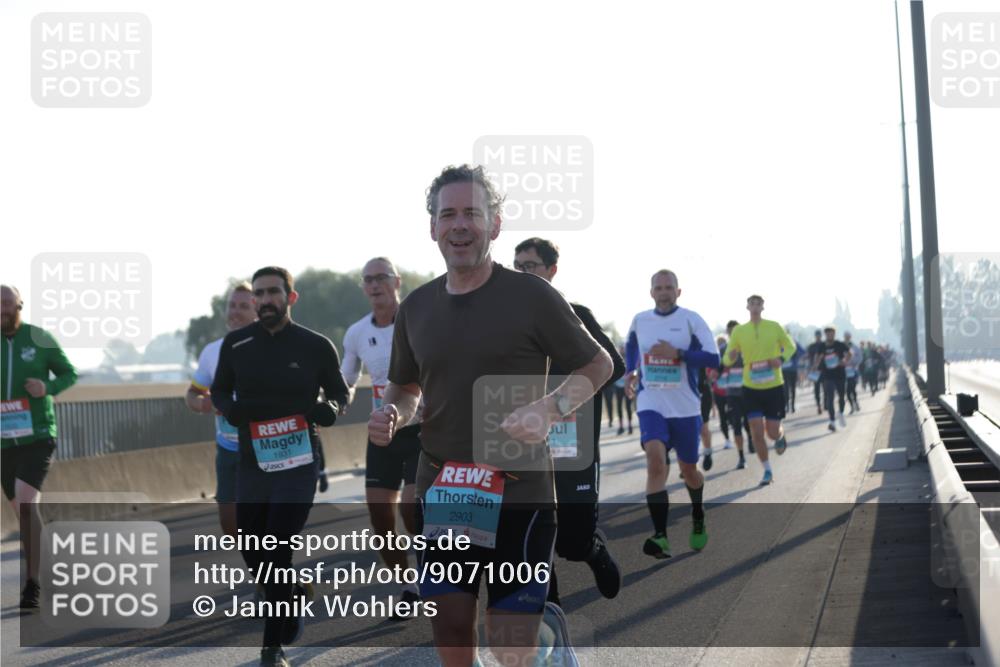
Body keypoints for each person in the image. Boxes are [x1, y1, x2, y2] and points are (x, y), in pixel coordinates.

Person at [369, 165, 613, 667]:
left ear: (495, 225)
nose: (460, 225)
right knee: (453, 631)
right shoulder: (415, 307)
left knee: (509, 647)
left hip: (520, 493)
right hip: (447, 489)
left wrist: (550, 408)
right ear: (432, 226)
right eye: (448, 214)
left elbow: (599, 363)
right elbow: (407, 385)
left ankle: (545, 639)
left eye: (473, 214)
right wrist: (393, 410)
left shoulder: (532, 296)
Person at [212, 266, 349, 667]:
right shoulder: (237, 345)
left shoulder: (315, 345)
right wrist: (229, 408)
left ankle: (272, 648)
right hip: (253, 464)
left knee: (275, 548)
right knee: (254, 550)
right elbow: (219, 388)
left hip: (299, 463)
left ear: (291, 297)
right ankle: (290, 591)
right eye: (259, 293)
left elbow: (340, 391)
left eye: (273, 292)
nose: (265, 300)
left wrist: (331, 408)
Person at [513, 237, 625, 605]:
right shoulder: (507, 321)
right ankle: (551, 623)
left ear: (551, 271)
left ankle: (593, 551)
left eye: (529, 266)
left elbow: (614, 366)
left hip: (573, 442)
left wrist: (561, 398)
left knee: (572, 541)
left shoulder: (576, 314)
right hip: (526, 445)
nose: (522, 274)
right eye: (517, 267)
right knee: (534, 536)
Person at [341, 257, 422, 611]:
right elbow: (345, 379)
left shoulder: (420, 320)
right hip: (382, 432)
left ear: (397, 282)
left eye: (381, 278)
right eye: (368, 280)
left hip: (423, 428)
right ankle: (408, 586)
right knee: (380, 516)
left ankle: (431, 573)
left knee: (411, 508)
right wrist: (335, 401)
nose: (375, 285)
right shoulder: (357, 332)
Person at [624, 270, 719, 559]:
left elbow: (713, 358)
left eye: (669, 288)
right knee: (655, 462)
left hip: (686, 407)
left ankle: (698, 514)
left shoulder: (691, 320)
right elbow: (630, 345)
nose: (663, 292)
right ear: (651, 292)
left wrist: (678, 354)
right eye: (658, 288)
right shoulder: (640, 320)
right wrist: (630, 370)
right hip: (651, 400)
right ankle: (660, 535)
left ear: (678, 292)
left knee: (689, 470)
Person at [1, 284, 78, 610]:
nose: (3, 309)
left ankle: (32, 583)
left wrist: (47, 386)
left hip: (38, 436)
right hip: (4, 442)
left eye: (8, 303)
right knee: (22, 508)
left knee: (27, 502)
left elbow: (69, 374)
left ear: (20, 305)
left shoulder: (39, 339)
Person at [186, 281, 256, 537]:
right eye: (231, 306)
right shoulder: (212, 351)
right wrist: (203, 403)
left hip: (264, 449)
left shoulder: (270, 348)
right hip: (228, 448)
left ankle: (277, 572)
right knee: (231, 527)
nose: (235, 312)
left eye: (243, 306)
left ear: (257, 310)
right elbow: (192, 393)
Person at [723, 296, 796, 486]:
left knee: (770, 433)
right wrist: (730, 357)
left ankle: (779, 435)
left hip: (773, 386)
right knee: (756, 431)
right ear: (747, 307)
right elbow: (726, 359)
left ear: (763, 307)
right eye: (752, 304)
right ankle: (767, 470)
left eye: (758, 304)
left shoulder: (774, 327)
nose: (755, 307)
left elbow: (790, 346)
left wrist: (780, 358)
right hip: (751, 387)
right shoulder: (739, 331)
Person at [811, 326, 851, 432]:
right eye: (827, 333)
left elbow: (849, 354)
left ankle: (841, 413)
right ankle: (832, 421)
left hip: (840, 374)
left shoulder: (840, 345)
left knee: (842, 396)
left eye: (831, 333)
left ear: (834, 333)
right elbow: (817, 358)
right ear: (825, 335)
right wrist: (815, 366)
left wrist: (844, 361)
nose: (829, 335)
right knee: (829, 398)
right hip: (827, 375)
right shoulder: (822, 346)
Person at [711, 335, 732, 450]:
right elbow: (710, 373)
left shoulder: (730, 356)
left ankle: (728, 439)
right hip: (719, 391)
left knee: (727, 416)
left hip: (730, 390)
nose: (721, 346)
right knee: (723, 417)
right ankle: (727, 440)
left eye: (722, 343)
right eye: (719, 344)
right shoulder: (714, 357)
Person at [781, 329, 804, 414]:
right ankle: (788, 405)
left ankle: (791, 405)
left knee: (790, 388)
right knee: (787, 388)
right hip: (784, 369)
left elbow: (802, 352)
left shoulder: (793, 342)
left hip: (792, 369)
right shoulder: (779, 343)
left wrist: (796, 358)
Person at [614, 345, 634, 435]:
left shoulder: (629, 359)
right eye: (620, 348)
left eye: (623, 348)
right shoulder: (616, 359)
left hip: (628, 385)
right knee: (619, 407)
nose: (622, 350)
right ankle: (621, 426)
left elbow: (633, 371)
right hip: (618, 386)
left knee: (628, 407)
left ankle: (630, 426)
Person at [806, 329, 824, 415]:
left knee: (826, 388)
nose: (818, 337)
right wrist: (810, 368)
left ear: (821, 336)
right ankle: (818, 406)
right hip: (815, 370)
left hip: (824, 370)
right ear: (815, 336)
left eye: (819, 335)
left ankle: (825, 403)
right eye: (817, 335)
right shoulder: (811, 346)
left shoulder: (824, 345)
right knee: (816, 388)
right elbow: (809, 358)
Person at [843, 331, 862, 413]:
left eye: (848, 336)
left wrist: (853, 362)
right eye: (846, 336)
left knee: (852, 389)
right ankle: (852, 407)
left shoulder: (855, 347)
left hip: (853, 371)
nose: (847, 338)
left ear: (850, 337)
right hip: (843, 372)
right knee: (847, 391)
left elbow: (860, 357)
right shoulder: (841, 346)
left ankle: (856, 402)